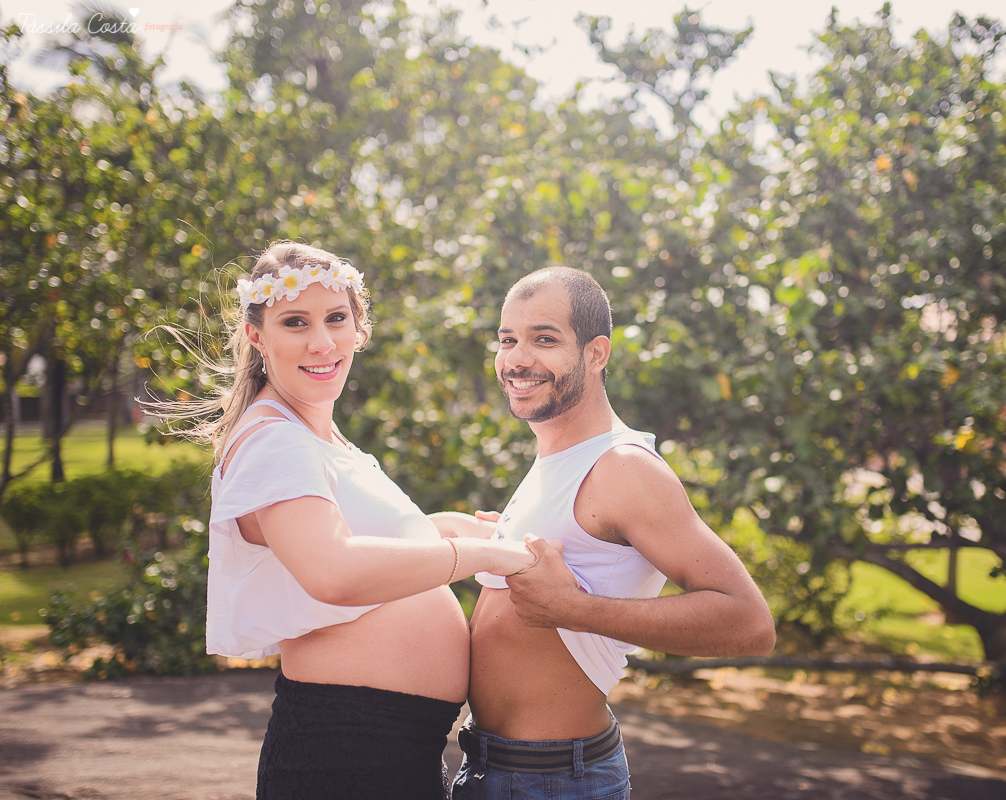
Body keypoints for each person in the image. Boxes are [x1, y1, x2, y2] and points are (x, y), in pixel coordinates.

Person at [163, 242, 534, 799]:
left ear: (358, 327)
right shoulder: (275, 440)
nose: (321, 341)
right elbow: (332, 570)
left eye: (336, 318)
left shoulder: (315, 438)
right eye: (295, 322)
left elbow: (360, 543)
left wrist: (452, 527)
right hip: (344, 748)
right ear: (256, 336)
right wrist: (479, 557)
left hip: (390, 746)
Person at [451, 267, 777, 799]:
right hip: (493, 767)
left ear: (596, 354)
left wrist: (572, 609)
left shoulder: (624, 467)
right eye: (507, 339)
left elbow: (750, 622)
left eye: (545, 339)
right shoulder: (557, 458)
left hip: (551, 780)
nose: (516, 358)